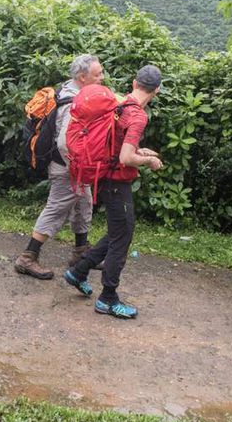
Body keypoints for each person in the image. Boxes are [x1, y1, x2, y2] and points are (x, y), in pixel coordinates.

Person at [63, 65, 164, 319]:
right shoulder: (139, 116)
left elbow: (117, 147)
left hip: (105, 176)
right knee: (123, 236)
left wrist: (142, 152)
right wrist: (148, 161)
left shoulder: (120, 105)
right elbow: (125, 157)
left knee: (117, 231)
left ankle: (79, 271)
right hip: (118, 183)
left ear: (134, 83)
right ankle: (108, 299)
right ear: (157, 90)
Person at [15, 54, 104, 279]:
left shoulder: (74, 91)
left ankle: (80, 252)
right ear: (82, 77)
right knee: (56, 209)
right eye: (98, 74)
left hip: (75, 167)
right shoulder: (72, 103)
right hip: (67, 167)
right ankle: (27, 258)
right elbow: (65, 143)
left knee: (83, 205)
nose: (102, 77)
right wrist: (76, 166)